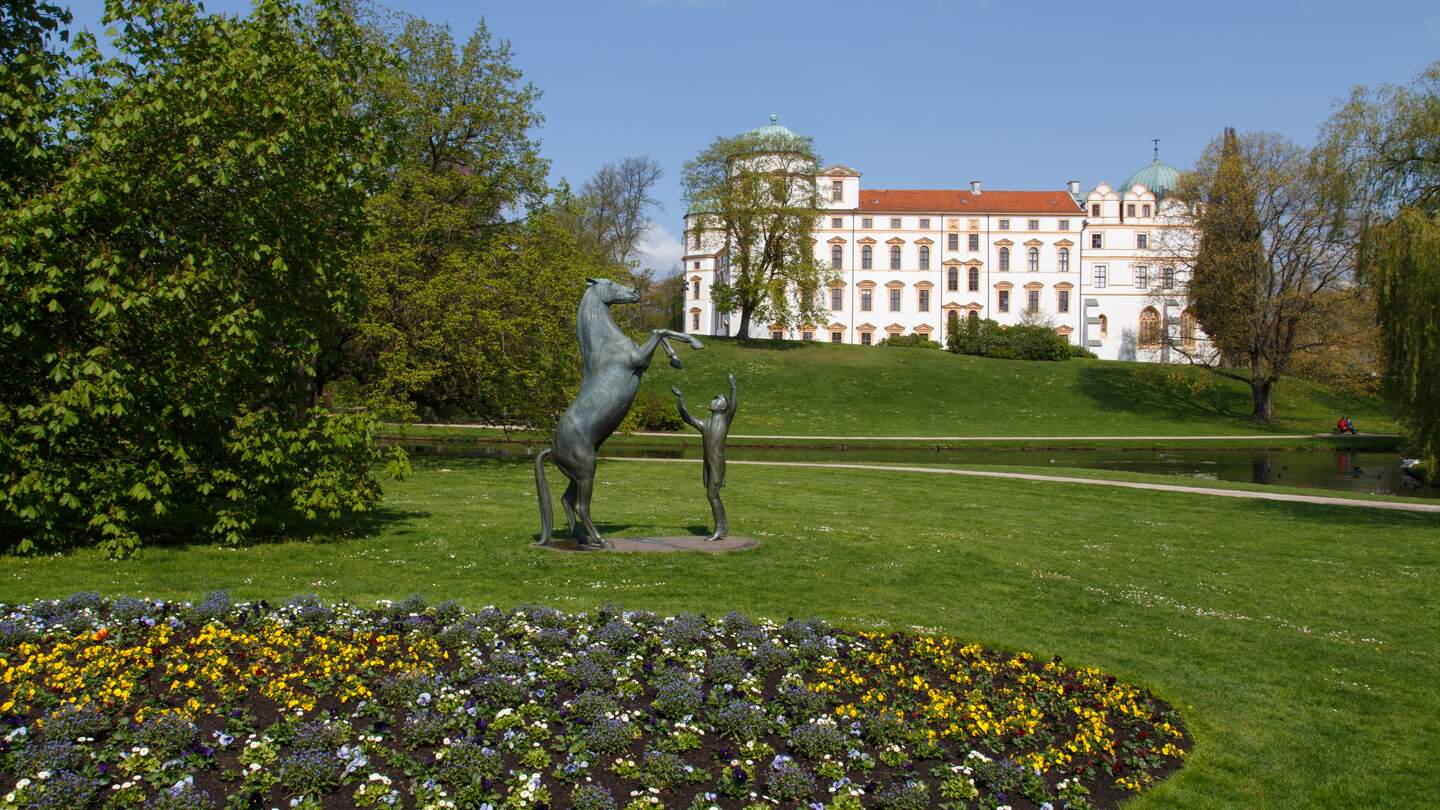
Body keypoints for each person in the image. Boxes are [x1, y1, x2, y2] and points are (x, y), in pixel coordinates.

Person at [672, 373, 737, 541]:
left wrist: (732, 385)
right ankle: (723, 526)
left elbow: (734, 407)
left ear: (723, 407)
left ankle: (720, 528)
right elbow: (686, 417)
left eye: (717, 399)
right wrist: (680, 399)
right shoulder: (705, 424)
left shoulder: (725, 420)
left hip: (717, 464)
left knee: (712, 495)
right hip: (708, 464)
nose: (713, 401)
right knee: (713, 495)